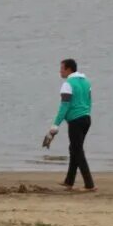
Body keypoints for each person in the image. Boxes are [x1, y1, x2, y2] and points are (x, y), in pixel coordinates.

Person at [45, 58, 94, 191]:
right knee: (74, 149)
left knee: (77, 151)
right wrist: (85, 113)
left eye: (61, 68)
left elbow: (64, 106)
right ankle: (69, 181)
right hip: (86, 119)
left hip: (76, 121)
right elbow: (89, 102)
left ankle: (89, 185)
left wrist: (55, 126)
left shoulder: (68, 84)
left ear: (68, 69)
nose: (60, 71)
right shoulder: (86, 82)